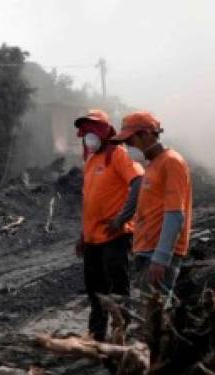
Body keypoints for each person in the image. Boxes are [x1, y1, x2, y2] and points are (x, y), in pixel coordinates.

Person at [74, 109, 144, 341]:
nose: (88, 136)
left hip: (115, 236)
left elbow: (139, 182)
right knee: (95, 292)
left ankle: (120, 336)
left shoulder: (117, 155)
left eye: (92, 130)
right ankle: (96, 337)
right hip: (93, 239)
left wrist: (121, 219)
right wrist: (83, 235)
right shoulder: (91, 160)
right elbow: (89, 201)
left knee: (117, 291)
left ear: (104, 131)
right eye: (85, 132)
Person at [111, 111, 192, 301]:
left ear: (146, 134)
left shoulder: (171, 163)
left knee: (155, 317)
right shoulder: (154, 164)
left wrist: (161, 257)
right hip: (148, 251)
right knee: (149, 316)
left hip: (158, 255)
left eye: (130, 140)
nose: (127, 146)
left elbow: (175, 215)